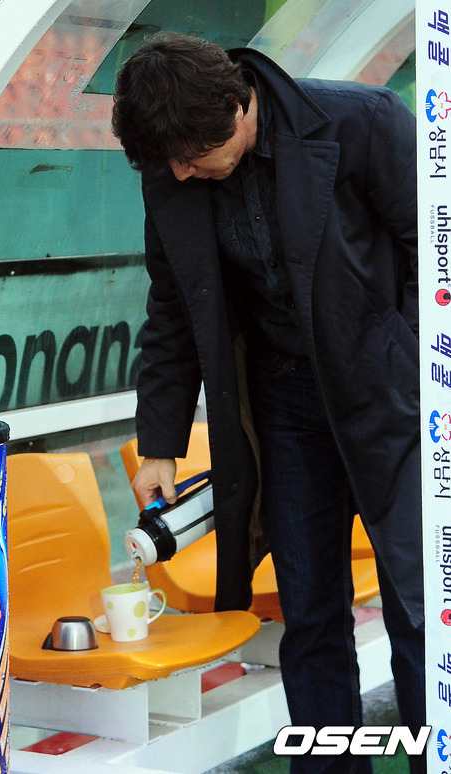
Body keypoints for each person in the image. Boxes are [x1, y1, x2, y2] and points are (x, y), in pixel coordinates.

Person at [112, 31, 425, 773]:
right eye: (169, 162)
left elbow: (433, 251)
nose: (181, 173)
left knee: (419, 607)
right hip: (284, 406)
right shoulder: (173, 164)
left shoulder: (364, 122)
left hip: (390, 398)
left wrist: (406, 362)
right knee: (309, 615)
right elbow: (172, 308)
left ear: (235, 106)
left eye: (191, 155)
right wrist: (160, 445)